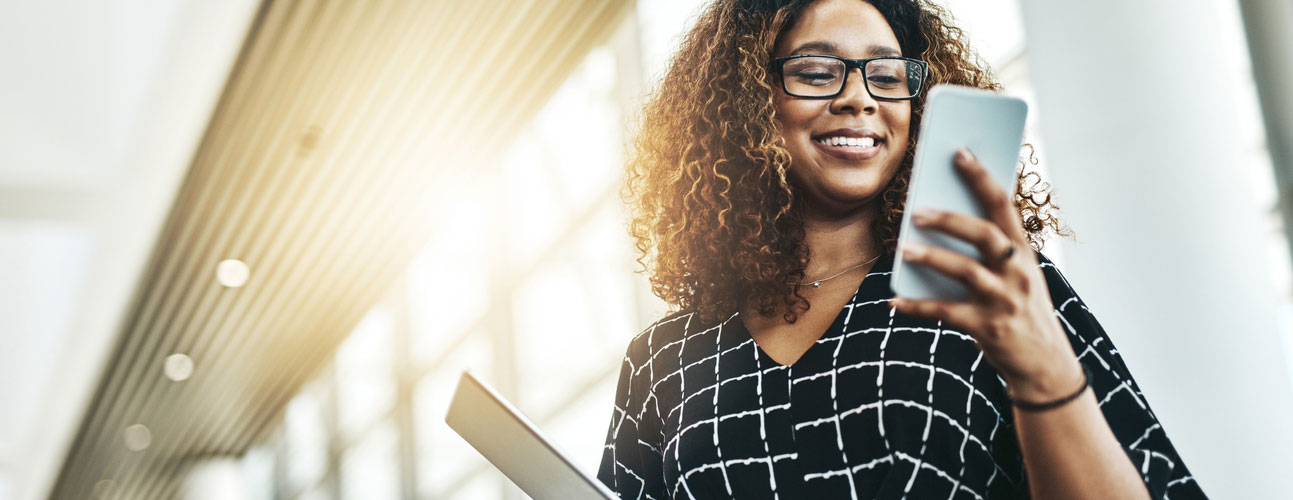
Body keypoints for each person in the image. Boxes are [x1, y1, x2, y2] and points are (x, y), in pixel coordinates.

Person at [596, 0, 1209, 498]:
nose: (860, 98)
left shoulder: (994, 290)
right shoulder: (662, 363)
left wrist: (1042, 369)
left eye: (887, 76)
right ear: (748, 103)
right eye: (815, 72)